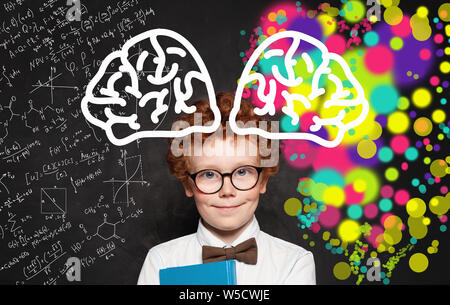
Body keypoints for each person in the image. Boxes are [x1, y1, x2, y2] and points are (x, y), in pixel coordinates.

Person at [137, 92, 316, 284]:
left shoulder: (294, 263)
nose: (227, 191)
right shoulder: (161, 262)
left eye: (242, 172)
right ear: (188, 184)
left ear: (263, 181)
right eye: (209, 174)